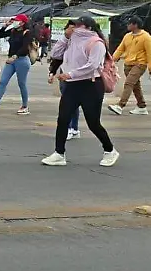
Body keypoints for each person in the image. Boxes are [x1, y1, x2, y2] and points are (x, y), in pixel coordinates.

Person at [42, 16, 119, 166]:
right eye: (73, 26)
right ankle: (59, 153)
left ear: (88, 28)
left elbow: (92, 65)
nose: (75, 29)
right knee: (63, 118)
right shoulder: (71, 41)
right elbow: (56, 54)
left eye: (78, 26)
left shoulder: (96, 43)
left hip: (91, 85)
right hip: (72, 85)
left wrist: (70, 74)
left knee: (93, 123)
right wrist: (65, 37)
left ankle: (110, 150)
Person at [0, 13, 35, 115]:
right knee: (3, 82)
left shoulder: (26, 33)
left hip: (22, 60)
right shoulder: (13, 31)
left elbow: (24, 48)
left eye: (17, 20)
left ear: (22, 23)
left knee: (21, 83)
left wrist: (15, 56)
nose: (14, 22)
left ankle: (25, 106)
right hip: (10, 60)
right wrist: (5, 26)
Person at [107, 15, 151, 116]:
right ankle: (142, 106)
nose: (127, 25)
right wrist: (112, 60)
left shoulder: (146, 37)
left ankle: (120, 105)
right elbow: (120, 49)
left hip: (140, 64)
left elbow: (150, 53)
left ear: (135, 25)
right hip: (128, 64)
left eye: (129, 23)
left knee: (128, 83)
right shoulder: (127, 36)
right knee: (135, 86)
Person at [47, 20, 82, 141]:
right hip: (64, 73)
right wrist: (52, 72)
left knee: (72, 101)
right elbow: (56, 55)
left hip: (78, 74)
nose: (72, 31)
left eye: (75, 28)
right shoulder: (64, 41)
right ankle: (72, 128)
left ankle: (72, 128)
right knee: (68, 100)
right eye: (70, 28)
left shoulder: (82, 42)